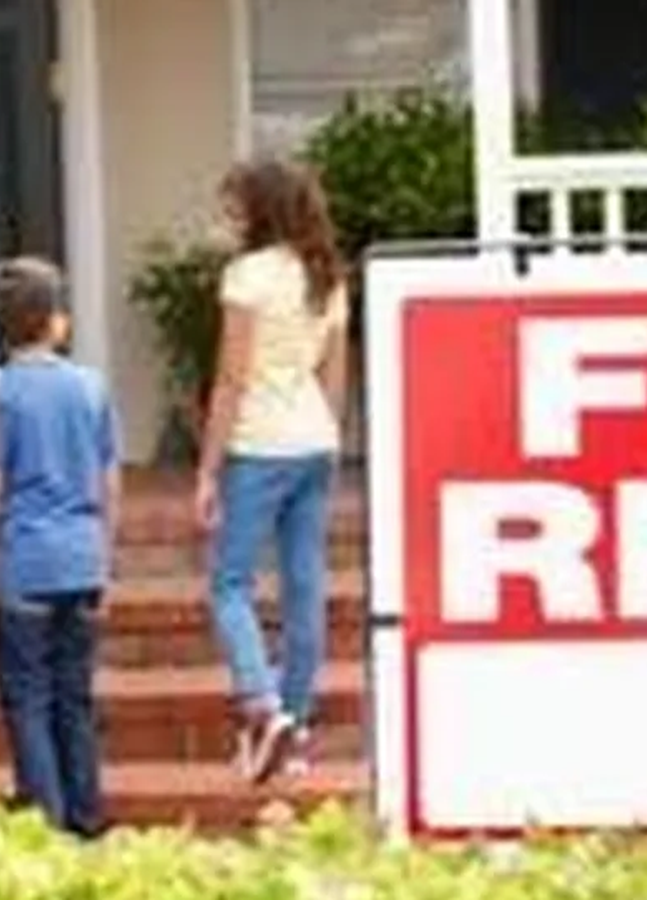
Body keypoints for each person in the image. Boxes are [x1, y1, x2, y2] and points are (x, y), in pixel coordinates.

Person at [194, 159, 349, 785]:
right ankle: (297, 725)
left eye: (234, 207)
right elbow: (334, 375)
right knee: (304, 585)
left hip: (259, 442)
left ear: (260, 209)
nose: (228, 218)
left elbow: (232, 378)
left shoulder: (247, 276)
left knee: (230, 584)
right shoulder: (326, 274)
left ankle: (262, 705)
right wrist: (329, 439)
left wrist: (208, 469)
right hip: (315, 439)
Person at [0, 257, 119, 838]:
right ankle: (87, 816)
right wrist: (106, 559)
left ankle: (46, 821)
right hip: (82, 558)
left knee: (27, 700)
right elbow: (109, 480)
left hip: (24, 563)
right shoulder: (91, 387)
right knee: (75, 697)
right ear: (56, 323)